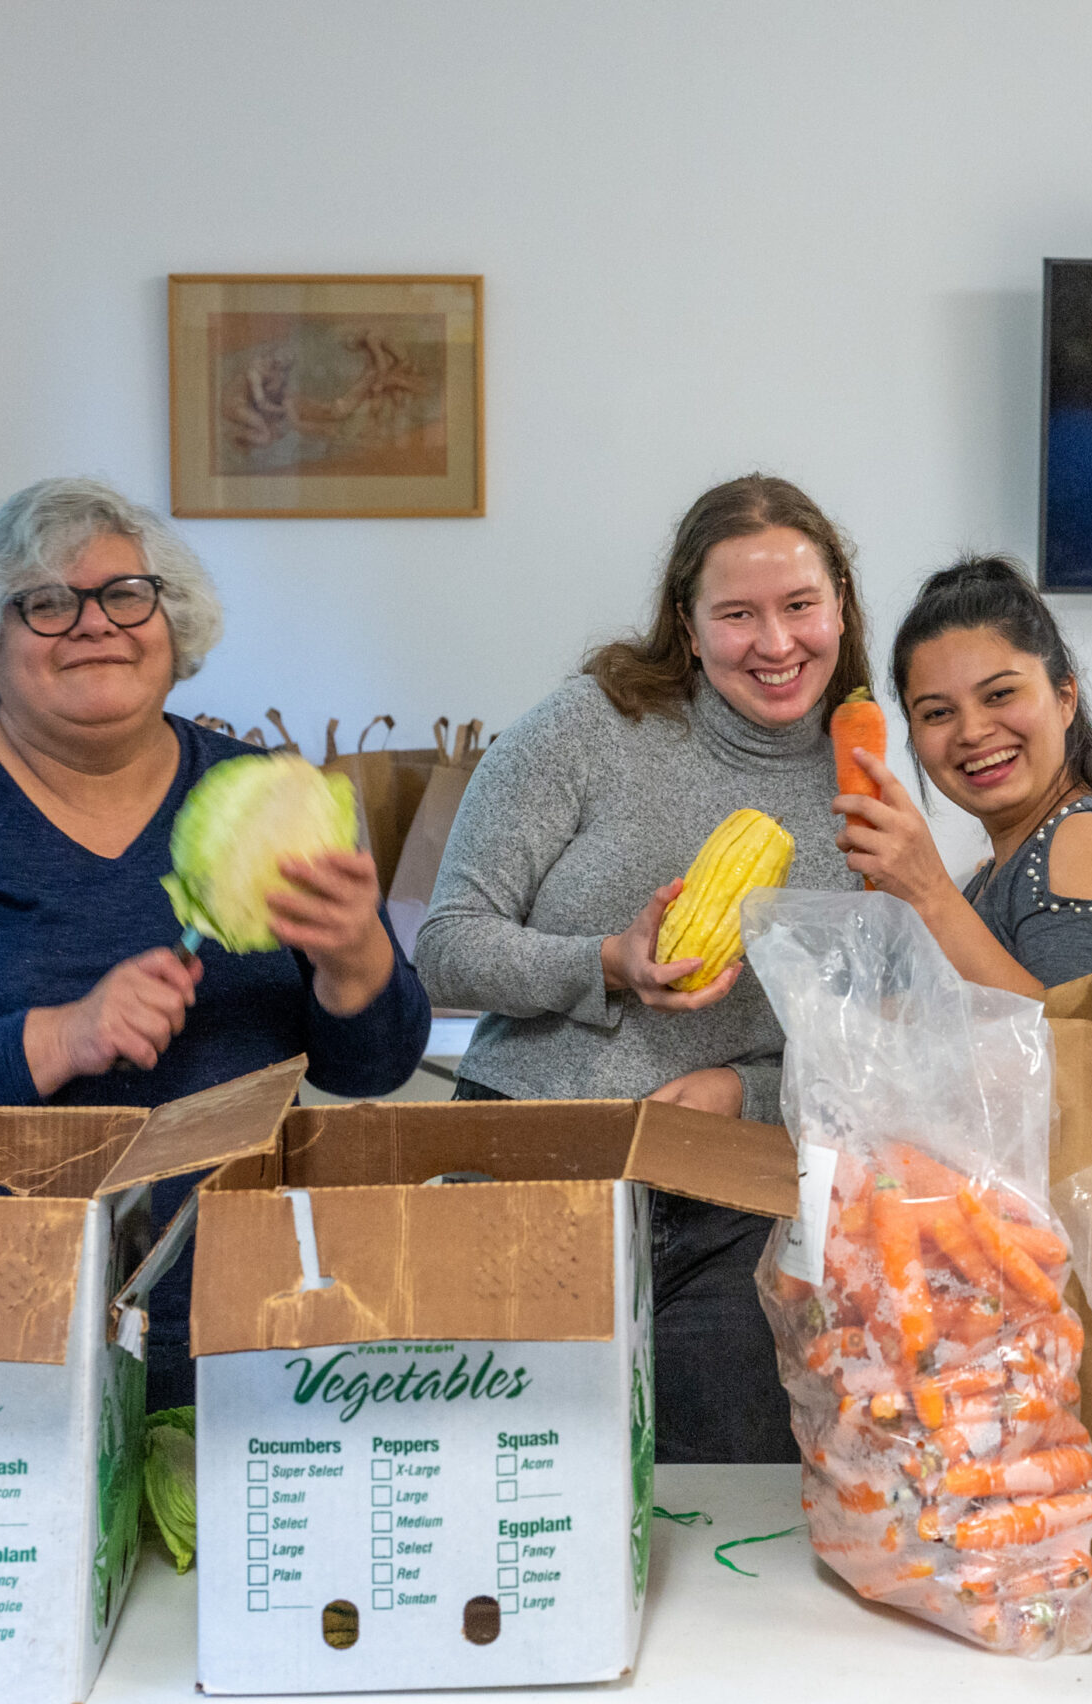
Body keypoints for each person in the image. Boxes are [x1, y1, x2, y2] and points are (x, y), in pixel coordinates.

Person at [0, 476, 431, 1408]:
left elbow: (371, 1069)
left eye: (127, 595)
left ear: (173, 630)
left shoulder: (264, 797)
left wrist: (358, 964)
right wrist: (61, 1037)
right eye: (46, 604)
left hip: (251, 1321)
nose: (96, 623)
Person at [414, 473, 872, 1464]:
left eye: (800, 605)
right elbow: (446, 946)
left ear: (840, 600)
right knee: (515, 1472)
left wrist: (737, 1091)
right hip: (538, 1162)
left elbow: (858, 1045)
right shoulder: (593, 725)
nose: (776, 642)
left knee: (724, 1494)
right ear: (687, 622)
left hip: (731, 1201)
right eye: (737, 614)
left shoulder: (864, 780)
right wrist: (609, 963)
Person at [833, 556, 1092, 1001]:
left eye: (1000, 694)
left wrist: (929, 894)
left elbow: (1082, 1053)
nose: (972, 732)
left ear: (1065, 698)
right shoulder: (994, 873)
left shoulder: (1086, 839)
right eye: (938, 713)